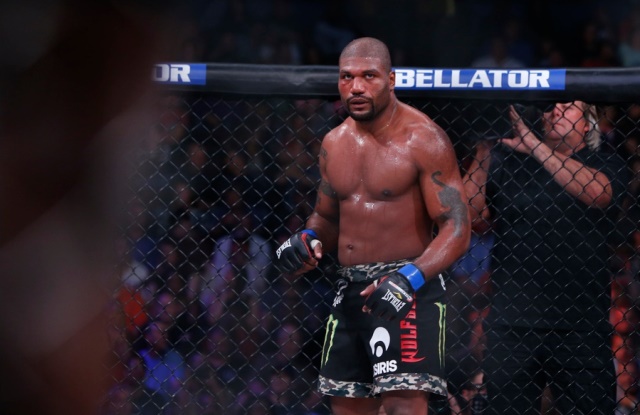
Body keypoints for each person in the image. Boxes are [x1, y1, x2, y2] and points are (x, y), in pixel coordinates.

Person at [275, 37, 471, 415]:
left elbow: (457, 228)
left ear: (391, 80)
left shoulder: (423, 138)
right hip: (348, 288)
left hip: (408, 288)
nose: (356, 87)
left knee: (402, 409)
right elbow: (327, 217)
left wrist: (408, 279)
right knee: (347, 409)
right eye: (347, 77)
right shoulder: (334, 142)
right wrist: (308, 238)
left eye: (369, 76)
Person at [463, 101, 628, 414]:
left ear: (587, 124)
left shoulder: (605, 161)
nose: (556, 111)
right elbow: (466, 215)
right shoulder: (511, 163)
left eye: (569, 107)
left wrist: (535, 146)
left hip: (580, 323)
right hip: (513, 323)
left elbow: (598, 193)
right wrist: (484, 150)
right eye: (551, 107)